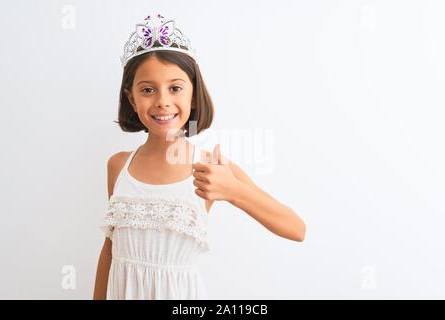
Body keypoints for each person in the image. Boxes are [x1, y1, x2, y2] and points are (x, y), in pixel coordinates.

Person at [93, 13, 306, 300]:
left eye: (176, 88)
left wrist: (234, 191)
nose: (162, 101)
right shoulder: (118, 165)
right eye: (147, 90)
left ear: (193, 96)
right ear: (132, 99)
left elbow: (296, 228)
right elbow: (110, 249)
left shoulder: (210, 167)